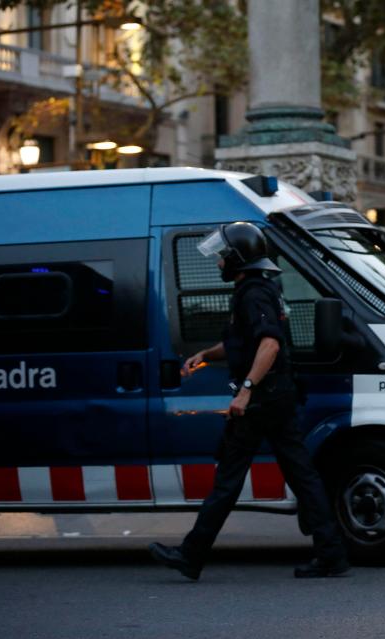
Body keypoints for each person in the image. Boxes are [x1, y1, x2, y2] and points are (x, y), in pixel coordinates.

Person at [148, 222, 348, 580]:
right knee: (302, 475)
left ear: (239, 258)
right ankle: (331, 553)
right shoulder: (260, 289)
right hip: (278, 396)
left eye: (224, 257)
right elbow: (247, 341)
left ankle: (191, 556)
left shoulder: (252, 293)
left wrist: (245, 390)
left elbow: (269, 344)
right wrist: (206, 354)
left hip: (263, 401)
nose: (219, 263)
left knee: (229, 478)